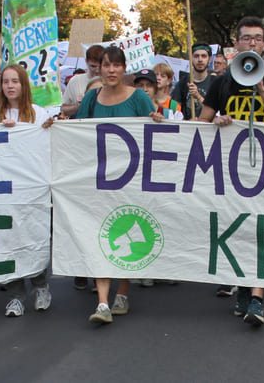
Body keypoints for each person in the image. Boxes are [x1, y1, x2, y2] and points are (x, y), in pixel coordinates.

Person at [197, 16, 264, 326]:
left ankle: (257, 297)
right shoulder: (222, 82)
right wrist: (217, 122)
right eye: (246, 38)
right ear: (236, 44)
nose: (251, 43)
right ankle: (243, 286)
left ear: (263, 45)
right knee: (237, 230)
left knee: (261, 230)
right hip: (232, 171)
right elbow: (200, 123)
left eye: (257, 38)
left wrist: (262, 88)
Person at [76, 46, 164, 324]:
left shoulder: (138, 97)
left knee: (125, 229)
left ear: (124, 68)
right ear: (99, 69)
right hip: (100, 180)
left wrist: (157, 121)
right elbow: (77, 133)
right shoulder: (91, 98)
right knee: (100, 233)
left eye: (116, 65)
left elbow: (156, 131)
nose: (111, 70)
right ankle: (102, 302)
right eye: (106, 65)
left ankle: (122, 292)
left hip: (132, 180)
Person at [0, 64, 54, 317]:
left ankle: (40, 285)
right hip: (3, 186)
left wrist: (47, 129)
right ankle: (16, 295)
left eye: (15, 81)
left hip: (31, 186)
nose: (10, 86)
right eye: (5, 81)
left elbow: (45, 146)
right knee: (9, 238)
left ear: (24, 85)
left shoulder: (36, 112)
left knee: (32, 235)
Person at [172, 43, 218, 120]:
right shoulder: (182, 84)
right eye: (196, 56)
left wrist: (198, 96)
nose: (200, 60)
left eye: (204, 56)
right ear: (191, 58)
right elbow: (175, 114)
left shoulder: (215, 83)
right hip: (188, 130)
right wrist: (188, 123)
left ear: (209, 59)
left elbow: (216, 113)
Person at [61, 44, 105, 117]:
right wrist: (77, 107)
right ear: (86, 62)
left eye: (101, 66)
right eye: (93, 66)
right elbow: (63, 110)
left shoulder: (111, 81)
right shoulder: (75, 80)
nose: (97, 70)